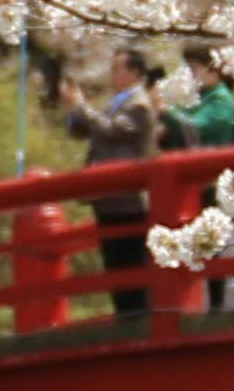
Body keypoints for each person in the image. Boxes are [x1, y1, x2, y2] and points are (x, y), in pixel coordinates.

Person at [65, 54, 162, 325]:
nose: (112, 74)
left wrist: (82, 107)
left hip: (128, 198)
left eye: (117, 69)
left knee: (130, 263)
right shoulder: (117, 103)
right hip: (110, 197)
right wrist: (74, 110)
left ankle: (138, 320)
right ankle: (127, 318)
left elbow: (110, 131)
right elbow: (87, 131)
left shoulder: (138, 105)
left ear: (134, 72)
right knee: (115, 263)